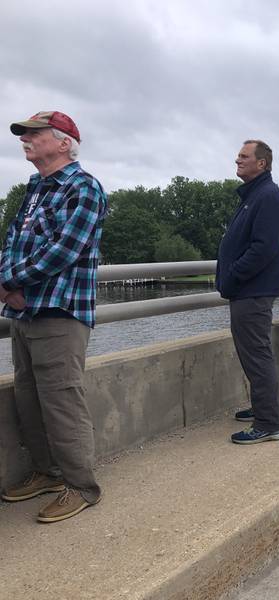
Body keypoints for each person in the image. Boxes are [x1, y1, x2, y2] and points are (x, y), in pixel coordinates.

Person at [0, 111, 106, 523]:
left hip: (60, 311)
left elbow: (67, 249)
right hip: (25, 312)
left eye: (34, 133)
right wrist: (8, 283)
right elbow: (12, 240)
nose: (25, 139)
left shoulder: (83, 188)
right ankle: (47, 472)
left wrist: (10, 281)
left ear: (64, 142)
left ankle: (81, 486)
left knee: (61, 400)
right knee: (29, 398)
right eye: (24, 134)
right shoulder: (35, 188)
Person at [218, 140, 279, 444]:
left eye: (244, 156)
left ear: (262, 163)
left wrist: (233, 275)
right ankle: (262, 408)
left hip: (252, 291)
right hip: (247, 290)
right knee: (253, 354)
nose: (237, 160)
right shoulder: (255, 194)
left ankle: (269, 423)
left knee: (257, 355)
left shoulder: (268, 196)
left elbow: (263, 248)